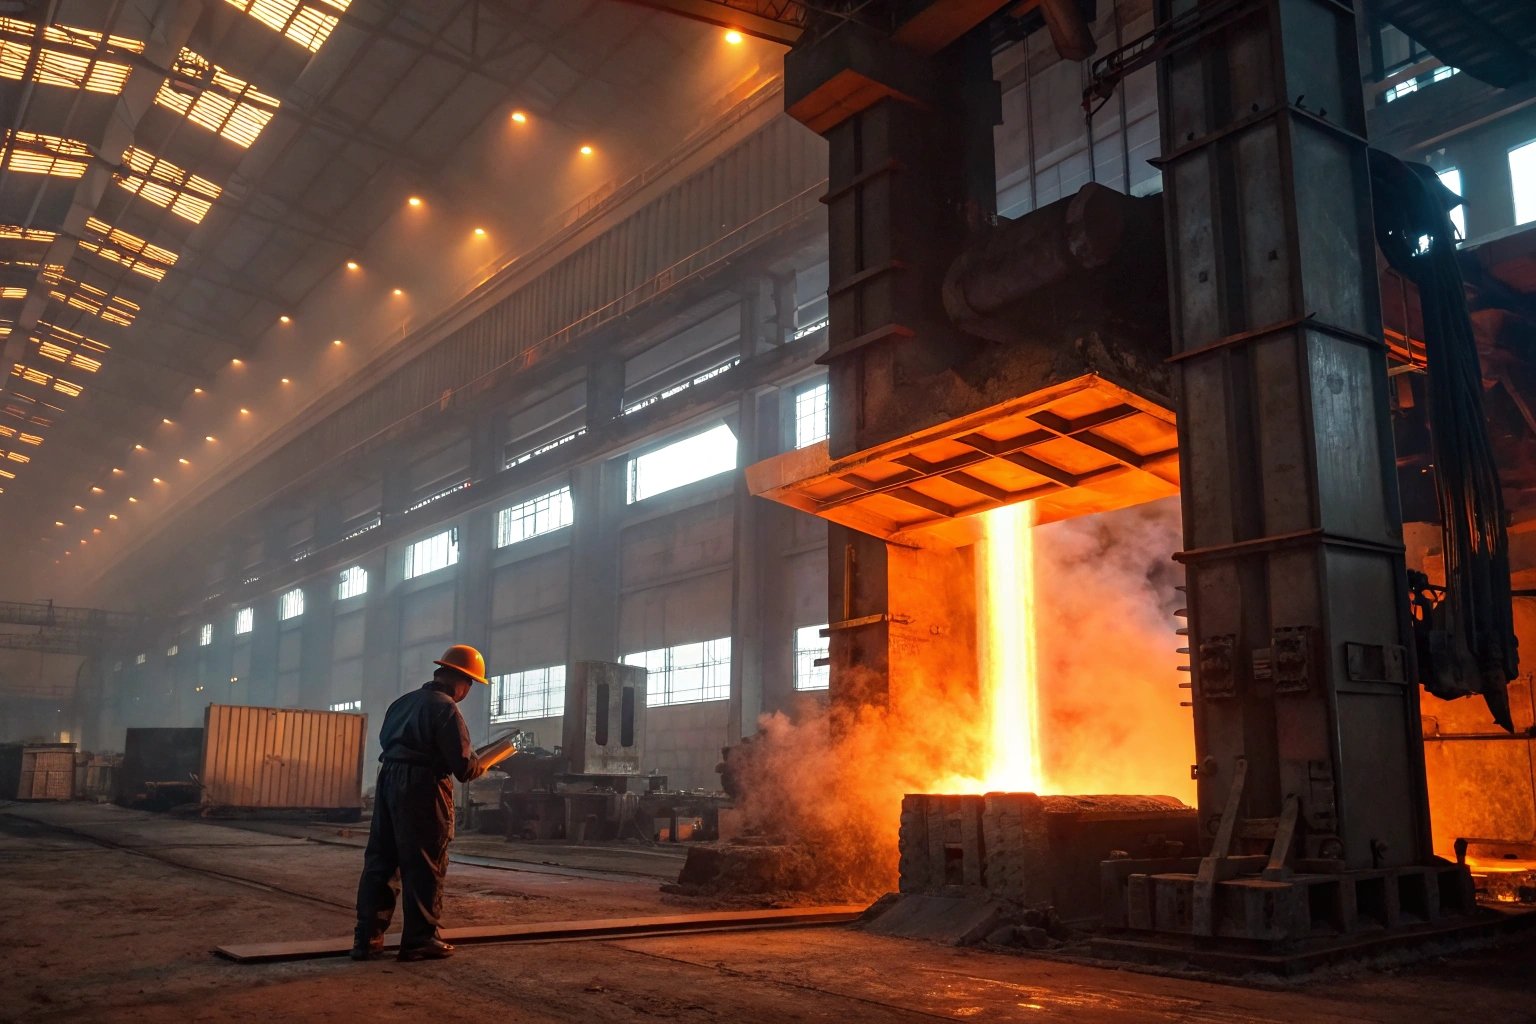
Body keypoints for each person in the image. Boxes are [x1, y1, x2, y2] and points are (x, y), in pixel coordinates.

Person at [352, 644, 489, 962]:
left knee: (381, 862)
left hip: (389, 781)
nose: (467, 692)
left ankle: (367, 939)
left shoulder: (402, 703)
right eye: (470, 685)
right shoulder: (445, 708)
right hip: (423, 788)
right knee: (425, 863)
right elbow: (464, 767)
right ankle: (418, 940)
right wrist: (483, 762)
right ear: (461, 680)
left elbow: (387, 742)